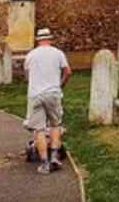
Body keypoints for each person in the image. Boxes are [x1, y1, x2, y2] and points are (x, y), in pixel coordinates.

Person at [24, 28, 72, 175]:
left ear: (38, 40)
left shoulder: (30, 55)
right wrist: (60, 84)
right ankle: (55, 158)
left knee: (39, 129)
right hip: (53, 93)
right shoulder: (58, 53)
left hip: (36, 95)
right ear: (50, 39)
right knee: (55, 125)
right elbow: (68, 71)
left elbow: (27, 76)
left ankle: (44, 163)